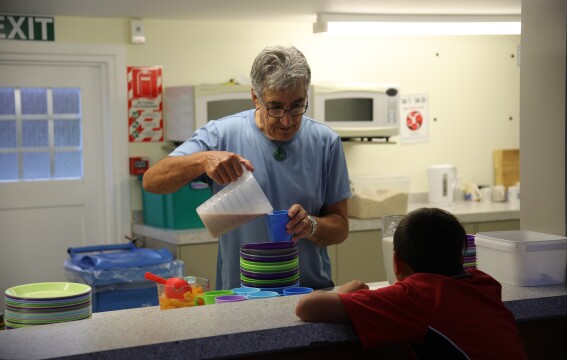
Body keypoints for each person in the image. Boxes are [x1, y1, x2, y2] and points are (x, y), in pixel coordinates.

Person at [143, 45, 351, 291]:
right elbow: (151, 181)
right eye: (275, 107)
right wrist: (203, 160)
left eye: (297, 106)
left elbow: (340, 227)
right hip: (241, 296)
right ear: (255, 97)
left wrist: (311, 226)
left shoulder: (326, 142)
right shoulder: (220, 134)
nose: (287, 121)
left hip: (308, 293)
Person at [295, 207, 528, 359]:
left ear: (397, 263)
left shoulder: (415, 296)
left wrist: (346, 291)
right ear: (460, 257)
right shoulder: (485, 283)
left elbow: (307, 306)